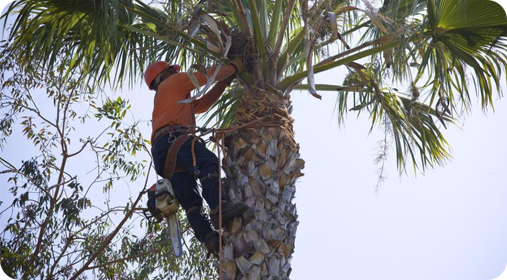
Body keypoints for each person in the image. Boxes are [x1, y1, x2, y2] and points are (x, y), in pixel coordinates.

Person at [144, 59, 249, 256]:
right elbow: (204, 76)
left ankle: (208, 237)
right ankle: (220, 207)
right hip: (173, 139)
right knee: (208, 162)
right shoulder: (172, 83)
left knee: (190, 199)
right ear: (166, 74)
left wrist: (225, 82)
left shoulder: (168, 96)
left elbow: (203, 104)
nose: (177, 73)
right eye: (173, 71)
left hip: (162, 153)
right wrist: (235, 66)